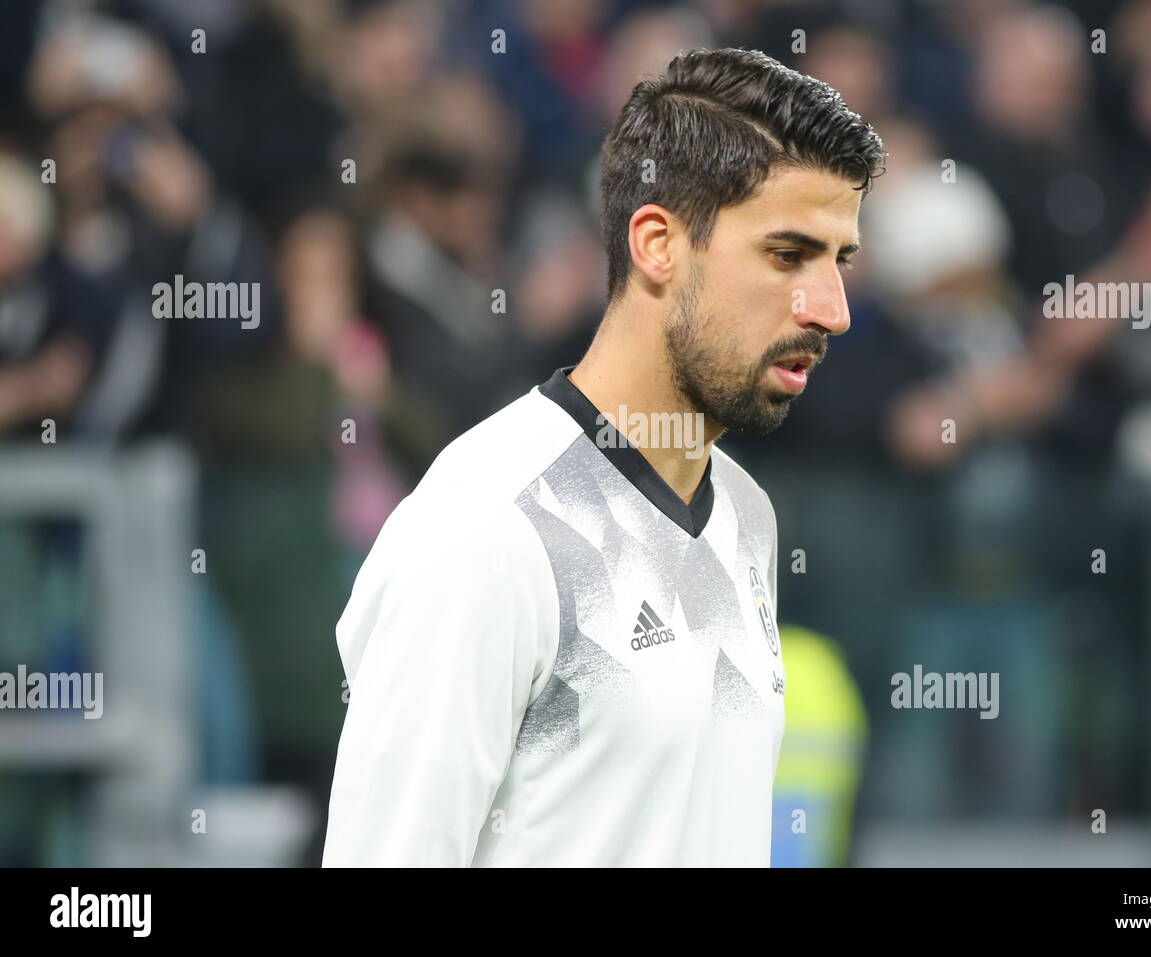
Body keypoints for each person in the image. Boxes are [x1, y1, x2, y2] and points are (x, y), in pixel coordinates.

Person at [322, 47, 885, 867]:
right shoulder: (482, 527)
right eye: (788, 253)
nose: (830, 309)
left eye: (841, 260)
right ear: (657, 244)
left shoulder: (746, 513)